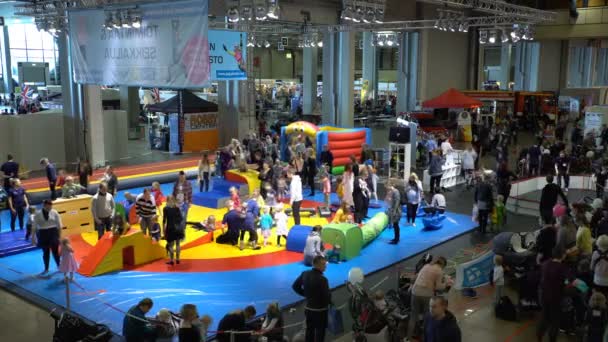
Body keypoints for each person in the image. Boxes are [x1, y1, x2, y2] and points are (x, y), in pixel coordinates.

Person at [408, 257, 451, 341]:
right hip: (426, 294)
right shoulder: (439, 271)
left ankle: (408, 337)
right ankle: (425, 337)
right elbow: (439, 287)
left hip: (415, 292)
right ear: (442, 265)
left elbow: (416, 278)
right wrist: (446, 283)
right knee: (426, 316)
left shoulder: (426, 266)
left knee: (413, 316)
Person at [537, 247, 574, 342]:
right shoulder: (562, 268)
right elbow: (571, 281)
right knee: (555, 320)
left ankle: (539, 337)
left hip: (543, 295)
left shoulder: (545, 264)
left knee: (544, 316)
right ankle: (552, 339)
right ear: (563, 255)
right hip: (555, 297)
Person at [292, 255, 331, 342]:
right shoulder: (323, 279)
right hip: (321, 311)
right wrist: (329, 303)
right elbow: (326, 297)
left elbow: (295, 286)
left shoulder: (305, 274)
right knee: (320, 334)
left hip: (309, 309)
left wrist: (306, 295)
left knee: (309, 332)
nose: (325, 266)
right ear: (318, 265)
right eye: (324, 264)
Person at [32, 200, 62, 275]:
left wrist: (60, 236)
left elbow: (59, 225)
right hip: (43, 233)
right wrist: (33, 237)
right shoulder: (38, 214)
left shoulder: (54, 212)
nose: (50, 208)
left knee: (55, 251)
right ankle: (46, 268)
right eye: (48, 206)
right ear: (44, 206)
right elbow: (34, 226)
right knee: (46, 252)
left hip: (53, 232)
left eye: (51, 206)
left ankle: (59, 266)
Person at [163, 195, 183, 265]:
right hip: (178, 229)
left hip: (170, 228)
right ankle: (178, 259)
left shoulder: (165, 208)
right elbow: (181, 219)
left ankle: (171, 260)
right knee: (178, 244)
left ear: (167, 201)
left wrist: (163, 230)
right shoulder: (177, 208)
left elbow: (164, 220)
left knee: (171, 245)